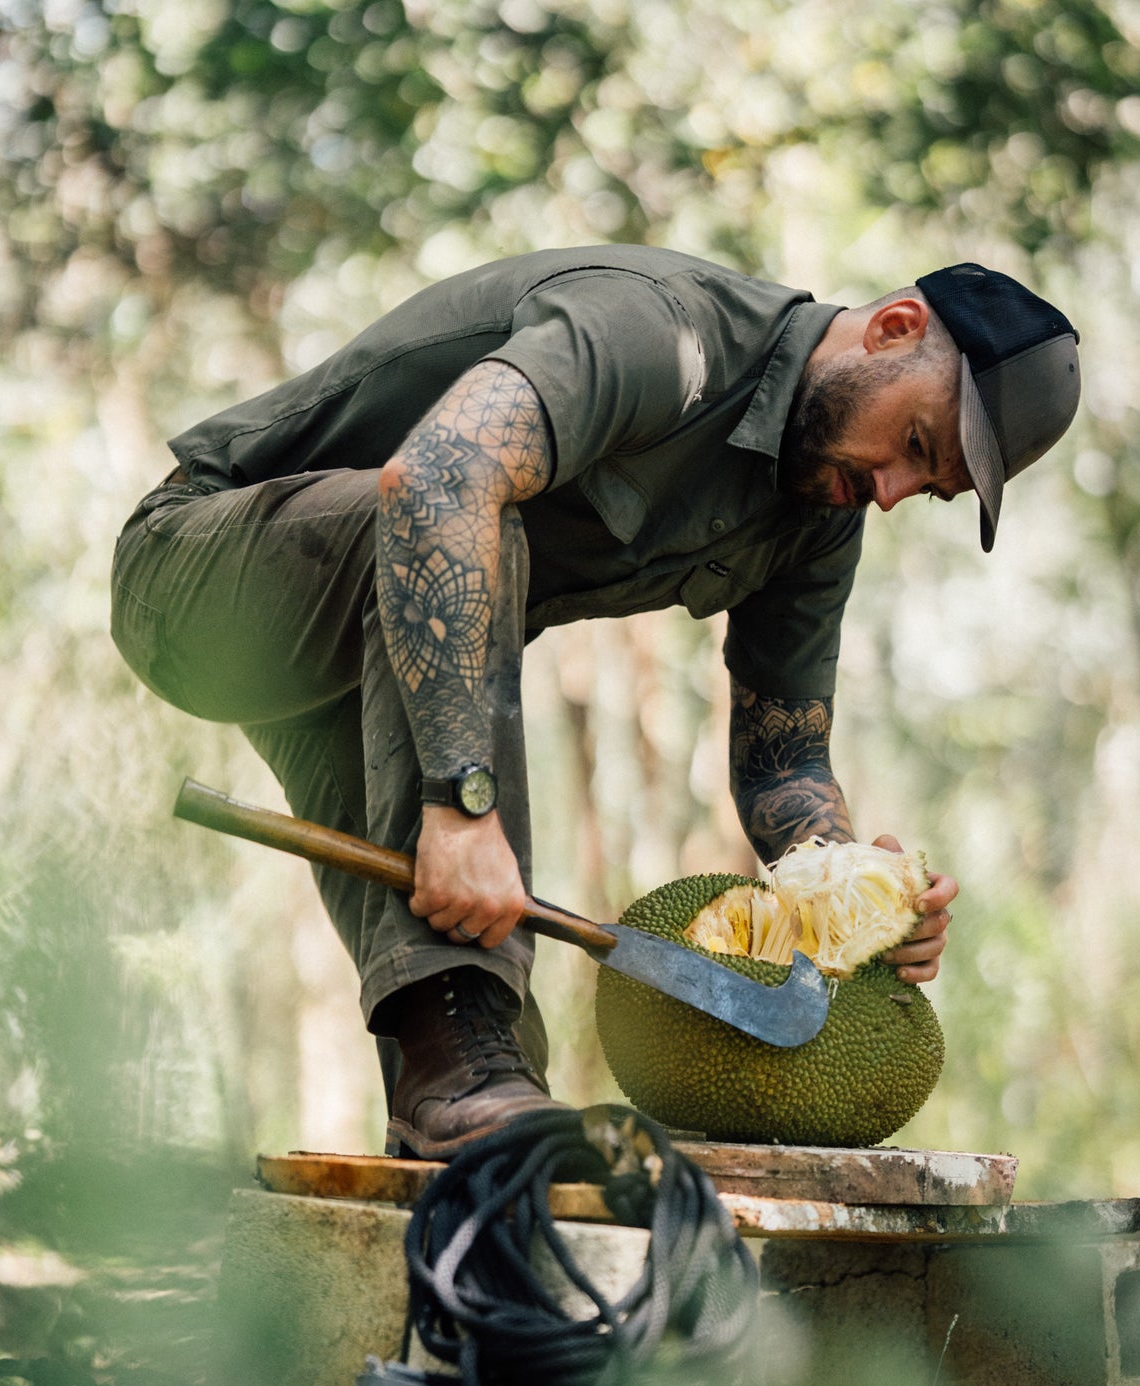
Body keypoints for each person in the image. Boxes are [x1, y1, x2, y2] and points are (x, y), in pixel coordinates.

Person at [111, 249, 1080, 1158]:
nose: (889, 490)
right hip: (194, 571)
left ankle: (457, 1133)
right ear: (893, 328)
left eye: (927, 488)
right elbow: (438, 480)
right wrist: (462, 800)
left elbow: (782, 762)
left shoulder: (815, 514)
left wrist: (852, 897)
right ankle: (461, 1050)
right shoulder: (656, 333)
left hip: (386, 647)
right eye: (913, 444)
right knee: (477, 537)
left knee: (476, 1088)